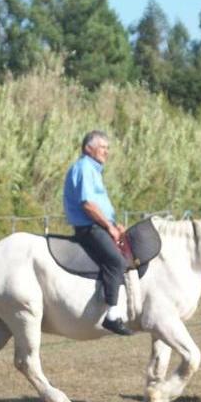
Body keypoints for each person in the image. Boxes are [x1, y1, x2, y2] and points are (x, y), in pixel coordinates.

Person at [63, 130, 132, 336]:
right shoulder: (85, 168)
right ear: (88, 148)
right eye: (102, 147)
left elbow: (100, 206)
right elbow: (88, 205)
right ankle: (111, 315)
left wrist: (115, 225)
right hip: (89, 228)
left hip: (98, 225)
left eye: (107, 148)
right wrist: (109, 227)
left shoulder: (93, 170)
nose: (106, 151)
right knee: (116, 261)